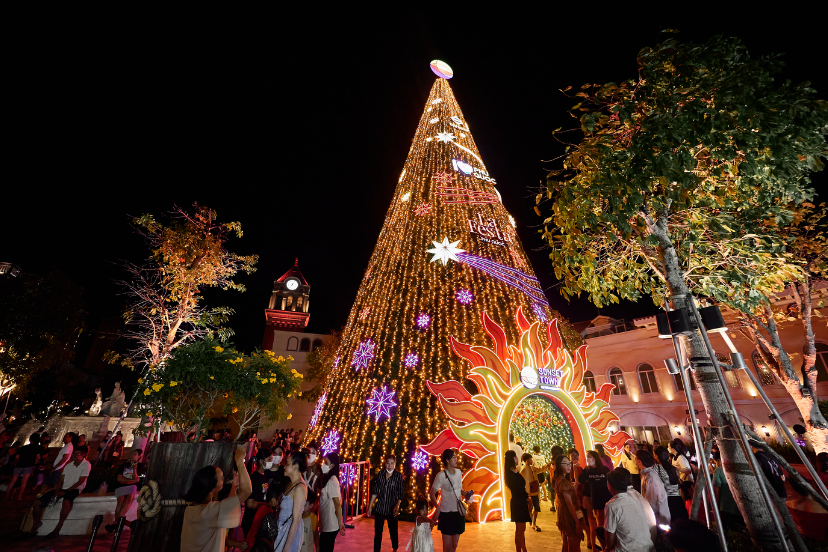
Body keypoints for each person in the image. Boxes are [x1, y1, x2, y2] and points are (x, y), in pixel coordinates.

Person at [181, 446, 252, 552]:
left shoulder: (192, 508)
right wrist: (240, 462)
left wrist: (234, 486)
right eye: (221, 478)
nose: (224, 479)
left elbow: (225, 508)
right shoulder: (208, 512)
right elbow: (247, 491)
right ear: (211, 489)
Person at [29, 445, 91, 537]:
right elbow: (61, 481)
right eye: (73, 454)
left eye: (76, 454)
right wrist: (55, 492)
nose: (73, 456)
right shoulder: (68, 465)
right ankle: (36, 524)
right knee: (37, 503)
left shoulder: (86, 465)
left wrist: (65, 491)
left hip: (76, 488)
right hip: (64, 487)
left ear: (83, 455)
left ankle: (58, 528)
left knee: (66, 502)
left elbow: (81, 481)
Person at [604, 468, 657, 552]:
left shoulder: (612, 505)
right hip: (649, 546)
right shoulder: (637, 498)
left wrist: (607, 549)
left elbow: (609, 535)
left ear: (608, 485)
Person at [429, 449, 470, 552]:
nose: (456, 459)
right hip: (446, 513)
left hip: (458, 513)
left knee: (454, 545)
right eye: (454, 457)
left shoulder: (459, 473)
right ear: (447, 460)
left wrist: (465, 493)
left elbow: (458, 488)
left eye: (456, 457)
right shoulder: (441, 476)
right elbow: (432, 493)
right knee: (446, 547)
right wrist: (437, 507)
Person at [369, 453, 405, 552]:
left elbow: (400, 494)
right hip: (380, 508)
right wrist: (370, 506)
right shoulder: (381, 473)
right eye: (388, 463)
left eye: (392, 463)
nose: (389, 465)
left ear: (395, 464)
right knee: (378, 534)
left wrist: (397, 506)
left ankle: (395, 549)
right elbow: (376, 491)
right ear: (385, 463)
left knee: (393, 532)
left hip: (391, 508)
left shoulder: (398, 476)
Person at [274, 451, 308, 552]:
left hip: (290, 532)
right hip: (282, 528)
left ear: (295, 466)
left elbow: (296, 519)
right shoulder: (291, 483)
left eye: (287, 464)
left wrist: (287, 548)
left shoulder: (299, 488)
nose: (284, 466)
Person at [553, 454, 587, 552]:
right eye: (565, 464)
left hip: (569, 514)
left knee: (567, 544)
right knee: (574, 546)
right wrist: (577, 522)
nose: (569, 466)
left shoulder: (562, 480)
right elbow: (570, 504)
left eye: (569, 464)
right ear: (559, 465)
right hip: (570, 516)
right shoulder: (563, 482)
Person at [105, 448, 144, 533]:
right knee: (121, 500)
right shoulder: (124, 465)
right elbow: (119, 479)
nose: (132, 456)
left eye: (135, 454)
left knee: (130, 498)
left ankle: (116, 523)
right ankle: (117, 523)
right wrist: (133, 480)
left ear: (139, 456)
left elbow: (136, 478)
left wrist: (134, 469)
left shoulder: (140, 466)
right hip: (121, 486)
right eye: (132, 454)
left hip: (131, 487)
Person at [580, 450, 611, 552]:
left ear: (595, 458)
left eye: (590, 456)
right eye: (587, 456)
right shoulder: (587, 471)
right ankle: (599, 546)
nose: (588, 458)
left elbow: (610, 481)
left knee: (605, 524)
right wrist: (585, 469)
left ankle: (606, 546)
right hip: (594, 500)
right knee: (597, 525)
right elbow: (580, 480)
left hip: (606, 499)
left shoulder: (604, 469)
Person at [318, 452, 346, 552]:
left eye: (326, 462)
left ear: (332, 465)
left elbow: (337, 504)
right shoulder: (328, 479)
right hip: (326, 523)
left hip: (330, 525)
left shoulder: (332, 480)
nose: (323, 465)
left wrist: (340, 523)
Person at [710, 449, 744, 532]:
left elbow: (716, 493)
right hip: (743, 510)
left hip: (726, 510)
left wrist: (716, 510)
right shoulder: (742, 469)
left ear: (719, 460)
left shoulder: (719, 471)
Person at [242, 448, 273, 537]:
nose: (271, 462)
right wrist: (266, 505)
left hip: (259, 520)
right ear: (261, 461)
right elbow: (250, 504)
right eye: (269, 459)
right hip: (251, 521)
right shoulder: (253, 478)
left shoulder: (265, 475)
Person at [504, 449, 530, 552]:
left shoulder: (513, 472)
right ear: (512, 459)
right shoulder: (512, 473)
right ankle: (519, 550)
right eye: (515, 457)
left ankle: (524, 549)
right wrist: (527, 498)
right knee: (519, 530)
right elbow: (519, 490)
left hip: (520, 502)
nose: (517, 458)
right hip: (519, 502)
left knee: (522, 529)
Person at [635, 450, 669, 526]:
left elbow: (652, 502)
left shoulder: (650, 477)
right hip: (655, 516)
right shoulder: (646, 474)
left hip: (658, 519)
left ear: (639, 461)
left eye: (635, 458)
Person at [653, 446, 687, 522]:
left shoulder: (656, 468)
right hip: (678, 498)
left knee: (672, 523)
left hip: (667, 499)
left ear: (657, 456)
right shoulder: (672, 468)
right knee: (681, 522)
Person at [6, 432, 41, 500]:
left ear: (30, 440)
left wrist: (16, 462)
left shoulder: (23, 447)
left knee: (13, 480)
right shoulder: (38, 448)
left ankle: (7, 496)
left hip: (19, 465)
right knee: (24, 481)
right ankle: (19, 496)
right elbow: (37, 457)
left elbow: (17, 457)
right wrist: (34, 464)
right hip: (29, 466)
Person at [568, 448, 588, 544]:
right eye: (573, 456)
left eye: (576, 456)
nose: (575, 458)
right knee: (579, 519)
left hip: (581, 499)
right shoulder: (568, 469)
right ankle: (579, 540)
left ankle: (589, 540)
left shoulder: (581, 468)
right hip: (574, 501)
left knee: (584, 519)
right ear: (569, 457)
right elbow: (576, 482)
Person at [520, 453, 542, 531]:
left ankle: (534, 522)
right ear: (527, 460)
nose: (531, 460)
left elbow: (540, 469)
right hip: (528, 493)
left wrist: (548, 465)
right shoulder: (523, 470)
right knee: (530, 508)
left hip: (535, 492)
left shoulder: (533, 468)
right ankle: (532, 521)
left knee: (536, 507)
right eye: (530, 459)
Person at [548, 445, 564, 512]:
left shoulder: (552, 465)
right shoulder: (560, 464)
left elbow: (552, 480)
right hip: (563, 490)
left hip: (558, 490)